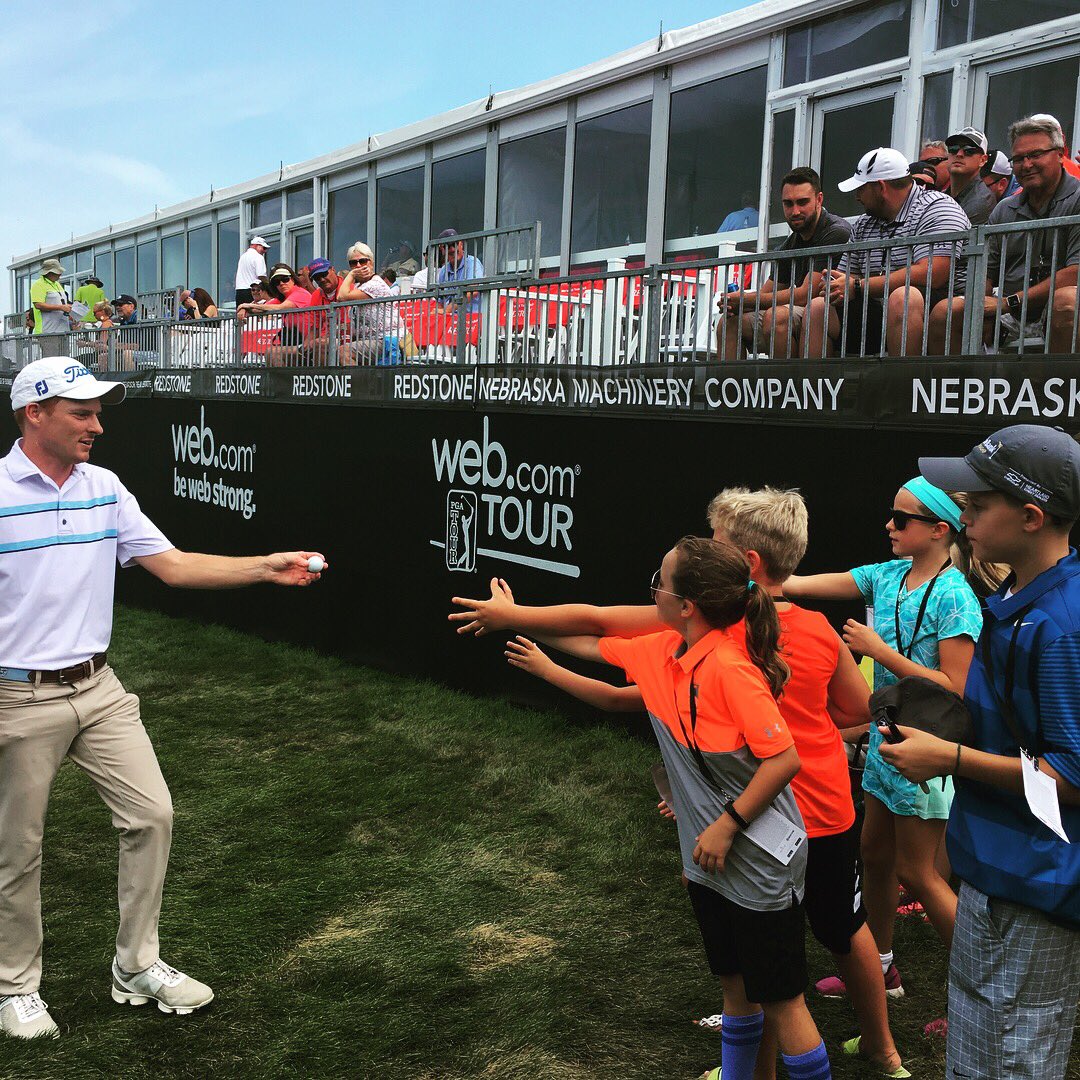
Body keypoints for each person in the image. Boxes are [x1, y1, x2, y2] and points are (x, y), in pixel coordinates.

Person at [466, 489, 906, 1079]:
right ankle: (871, 1053)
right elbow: (853, 711)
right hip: (797, 816)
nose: (704, 552)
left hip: (782, 823)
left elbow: (601, 629)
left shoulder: (723, 652)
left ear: (742, 567)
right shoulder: (722, 637)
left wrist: (736, 785)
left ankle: (848, 1055)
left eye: (716, 543)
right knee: (819, 939)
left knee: (780, 975)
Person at [0, 358, 326, 1041]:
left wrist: (265, 567)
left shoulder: (105, 488)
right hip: (16, 698)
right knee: (16, 851)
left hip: (101, 690)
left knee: (153, 815)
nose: (98, 424)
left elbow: (172, 566)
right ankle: (15, 987)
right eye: (82, 412)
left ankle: (136, 964)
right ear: (35, 413)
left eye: (98, 412)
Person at [884, 425, 1080, 1079]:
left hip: (1036, 885)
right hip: (997, 874)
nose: (960, 512)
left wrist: (951, 760)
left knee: (1011, 1061)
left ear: (1030, 517)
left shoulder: (1060, 625)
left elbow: (1070, 778)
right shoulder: (1017, 600)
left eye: (975, 504)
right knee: (979, 1056)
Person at [784, 478, 989, 1014]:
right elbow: (810, 586)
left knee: (917, 873)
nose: (889, 526)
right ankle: (880, 969)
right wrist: (767, 579)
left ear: (940, 530)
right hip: (886, 743)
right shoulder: (891, 574)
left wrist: (879, 652)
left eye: (901, 519)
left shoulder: (955, 595)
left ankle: (981, 996)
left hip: (925, 747)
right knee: (874, 857)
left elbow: (957, 688)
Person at [928, 115, 1080, 356]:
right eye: (1018, 158)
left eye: (1036, 155)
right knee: (947, 312)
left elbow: (1074, 273)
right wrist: (984, 308)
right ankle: (954, 392)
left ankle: (1054, 390)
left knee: (1066, 302)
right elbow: (985, 270)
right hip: (1011, 312)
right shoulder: (1004, 208)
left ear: (1060, 154)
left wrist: (1008, 303)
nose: (1027, 164)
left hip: (1049, 308)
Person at [800, 147, 970, 359]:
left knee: (904, 296)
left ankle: (905, 387)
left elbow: (933, 273)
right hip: (879, 313)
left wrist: (858, 285)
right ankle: (819, 390)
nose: (857, 196)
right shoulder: (863, 223)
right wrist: (837, 286)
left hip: (936, 315)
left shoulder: (939, 207)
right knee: (818, 307)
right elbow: (848, 278)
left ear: (881, 187)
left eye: (861, 189)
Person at [717, 168, 851, 360]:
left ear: (819, 199)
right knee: (727, 323)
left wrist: (747, 300)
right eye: (788, 204)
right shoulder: (790, 243)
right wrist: (736, 302)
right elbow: (768, 292)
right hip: (804, 313)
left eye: (802, 202)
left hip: (834, 319)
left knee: (777, 317)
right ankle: (731, 388)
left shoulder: (836, 232)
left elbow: (807, 294)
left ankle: (785, 388)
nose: (795, 211)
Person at [336, 242, 402, 363]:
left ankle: (356, 382)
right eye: (353, 263)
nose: (358, 265)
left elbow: (341, 296)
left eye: (362, 261)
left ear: (371, 262)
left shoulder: (375, 284)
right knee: (327, 347)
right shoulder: (359, 286)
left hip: (387, 340)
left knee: (344, 351)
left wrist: (351, 274)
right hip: (370, 339)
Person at [236, 265, 313, 365]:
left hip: (309, 343)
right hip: (296, 342)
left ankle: (281, 381)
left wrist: (245, 305)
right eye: (277, 282)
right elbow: (260, 308)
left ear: (293, 280)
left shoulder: (300, 293)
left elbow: (279, 307)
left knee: (272, 353)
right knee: (272, 352)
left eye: (285, 279)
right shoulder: (283, 297)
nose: (281, 283)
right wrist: (243, 308)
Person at [945, 128, 995, 225]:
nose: (959, 154)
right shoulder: (944, 194)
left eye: (969, 150)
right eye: (953, 149)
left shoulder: (983, 200)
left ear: (982, 160)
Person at [31, 259, 77, 358]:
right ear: (49, 272)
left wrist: (70, 310)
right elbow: (38, 305)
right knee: (51, 363)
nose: (60, 274)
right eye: (57, 272)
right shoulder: (38, 285)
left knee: (64, 362)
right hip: (48, 332)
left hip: (63, 331)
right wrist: (61, 307)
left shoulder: (57, 284)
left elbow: (62, 302)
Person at [435, 229, 485, 314]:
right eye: (448, 246)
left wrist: (447, 310)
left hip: (472, 320)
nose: (453, 249)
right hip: (450, 320)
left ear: (461, 244)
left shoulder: (472, 263)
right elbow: (440, 302)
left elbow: (472, 291)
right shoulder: (443, 271)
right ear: (442, 250)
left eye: (455, 244)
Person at [233, 236, 269, 306]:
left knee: (241, 314)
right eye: (264, 248)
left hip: (239, 291)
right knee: (255, 315)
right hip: (253, 291)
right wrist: (270, 287)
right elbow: (261, 275)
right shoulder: (258, 257)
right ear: (256, 246)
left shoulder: (243, 256)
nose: (265, 251)